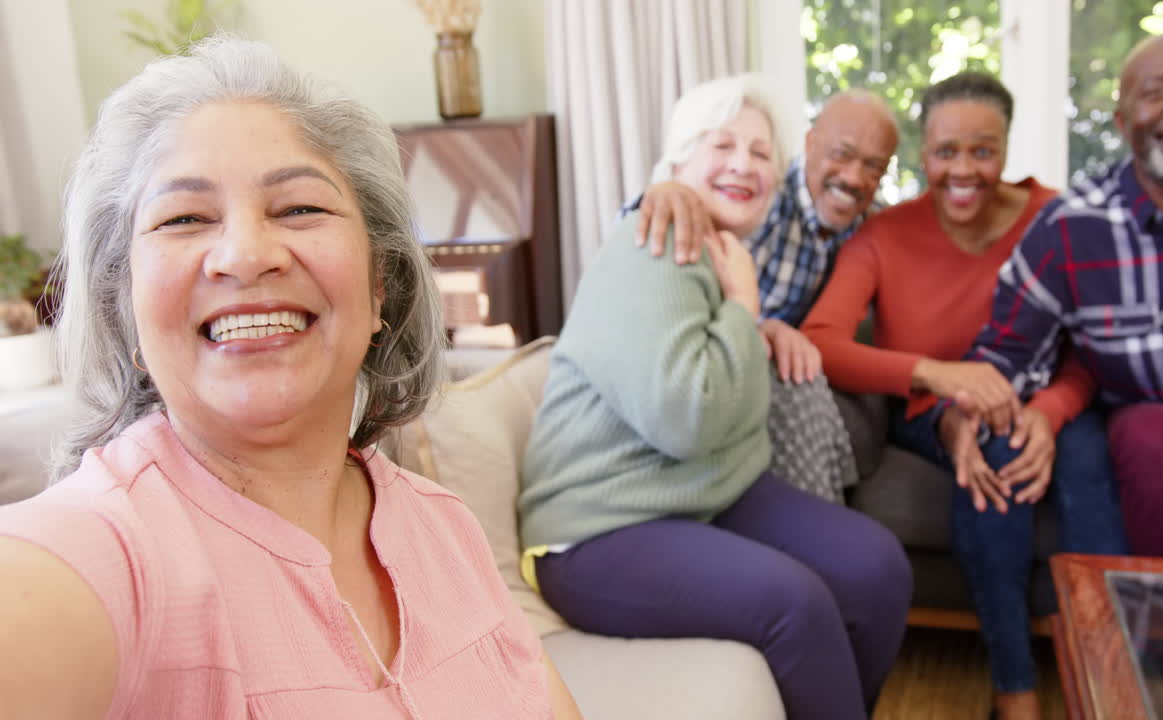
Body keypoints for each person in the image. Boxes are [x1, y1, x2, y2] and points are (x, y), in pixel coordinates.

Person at [0, 37, 581, 720]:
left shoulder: (442, 522)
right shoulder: (95, 558)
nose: (245, 254)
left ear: (379, 289)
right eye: (183, 218)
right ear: (123, 310)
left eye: (299, 208)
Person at [518, 74, 911, 720]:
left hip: (707, 494)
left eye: (761, 153)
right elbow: (689, 418)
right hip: (599, 531)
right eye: (721, 145)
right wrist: (746, 306)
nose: (743, 164)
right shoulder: (658, 241)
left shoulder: (720, 252)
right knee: (798, 603)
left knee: (877, 568)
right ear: (677, 166)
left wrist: (750, 319)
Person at [801, 71, 1128, 720]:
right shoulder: (885, 235)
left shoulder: (1055, 218)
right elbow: (823, 341)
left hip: (1052, 399)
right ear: (922, 154)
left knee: (1092, 466)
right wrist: (939, 377)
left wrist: (1052, 410)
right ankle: (1017, 693)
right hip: (934, 409)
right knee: (993, 447)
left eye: (983, 150)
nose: (963, 169)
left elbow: (1098, 342)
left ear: (1006, 148)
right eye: (945, 151)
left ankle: (1113, 685)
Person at [958, 32, 1163, 561]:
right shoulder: (1070, 229)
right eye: (1158, 92)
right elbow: (1004, 357)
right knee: (1147, 435)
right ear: (1122, 123)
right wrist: (959, 416)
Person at [623, 90, 901, 501]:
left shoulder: (871, 224)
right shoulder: (756, 198)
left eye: (873, 166)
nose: (855, 177)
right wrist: (665, 192)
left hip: (778, 369)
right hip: (714, 369)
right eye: (842, 154)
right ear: (810, 145)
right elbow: (656, 228)